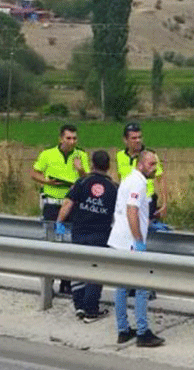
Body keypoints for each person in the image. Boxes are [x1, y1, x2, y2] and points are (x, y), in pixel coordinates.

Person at [107, 151, 165, 347]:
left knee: (122, 286)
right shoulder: (139, 182)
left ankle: (123, 329)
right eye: (151, 164)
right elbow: (132, 210)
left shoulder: (129, 178)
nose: (154, 168)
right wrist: (138, 238)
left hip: (119, 239)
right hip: (131, 242)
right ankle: (142, 331)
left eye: (155, 164)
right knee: (142, 286)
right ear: (141, 164)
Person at [56, 149, 117, 323]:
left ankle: (79, 306)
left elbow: (68, 203)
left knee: (79, 267)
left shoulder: (82, 182)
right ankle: (91, 309)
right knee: (95, 270)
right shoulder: (113, 187)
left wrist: (59, 222)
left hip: (79, 231)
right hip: (100, 234)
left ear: (92, 164)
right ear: (108, 166)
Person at [30, 123, 90, 296]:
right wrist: (47, 182)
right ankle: (49, 283)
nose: (72, 142)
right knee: (53, 242)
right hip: (52, 205)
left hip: (71, 204)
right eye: (68, 138)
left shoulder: (81, 155)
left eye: (74, 138)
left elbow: (85, 181)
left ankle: (67, 283)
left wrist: (80, 170)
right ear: (61, 138)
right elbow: (34, 173)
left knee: (70, 243)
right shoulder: (47, 154)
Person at [114, 121, 165, 300]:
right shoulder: (120, 156)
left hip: (147, 202)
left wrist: (164, 203)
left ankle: (144, 286)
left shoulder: (149, 155)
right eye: (133, 138)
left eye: (139, 137)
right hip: (129, 203)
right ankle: (130, 284)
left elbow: (160, 179)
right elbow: (120, 179)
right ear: (125, 140)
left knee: (141, 240)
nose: (137, 141)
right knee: (130, 242)